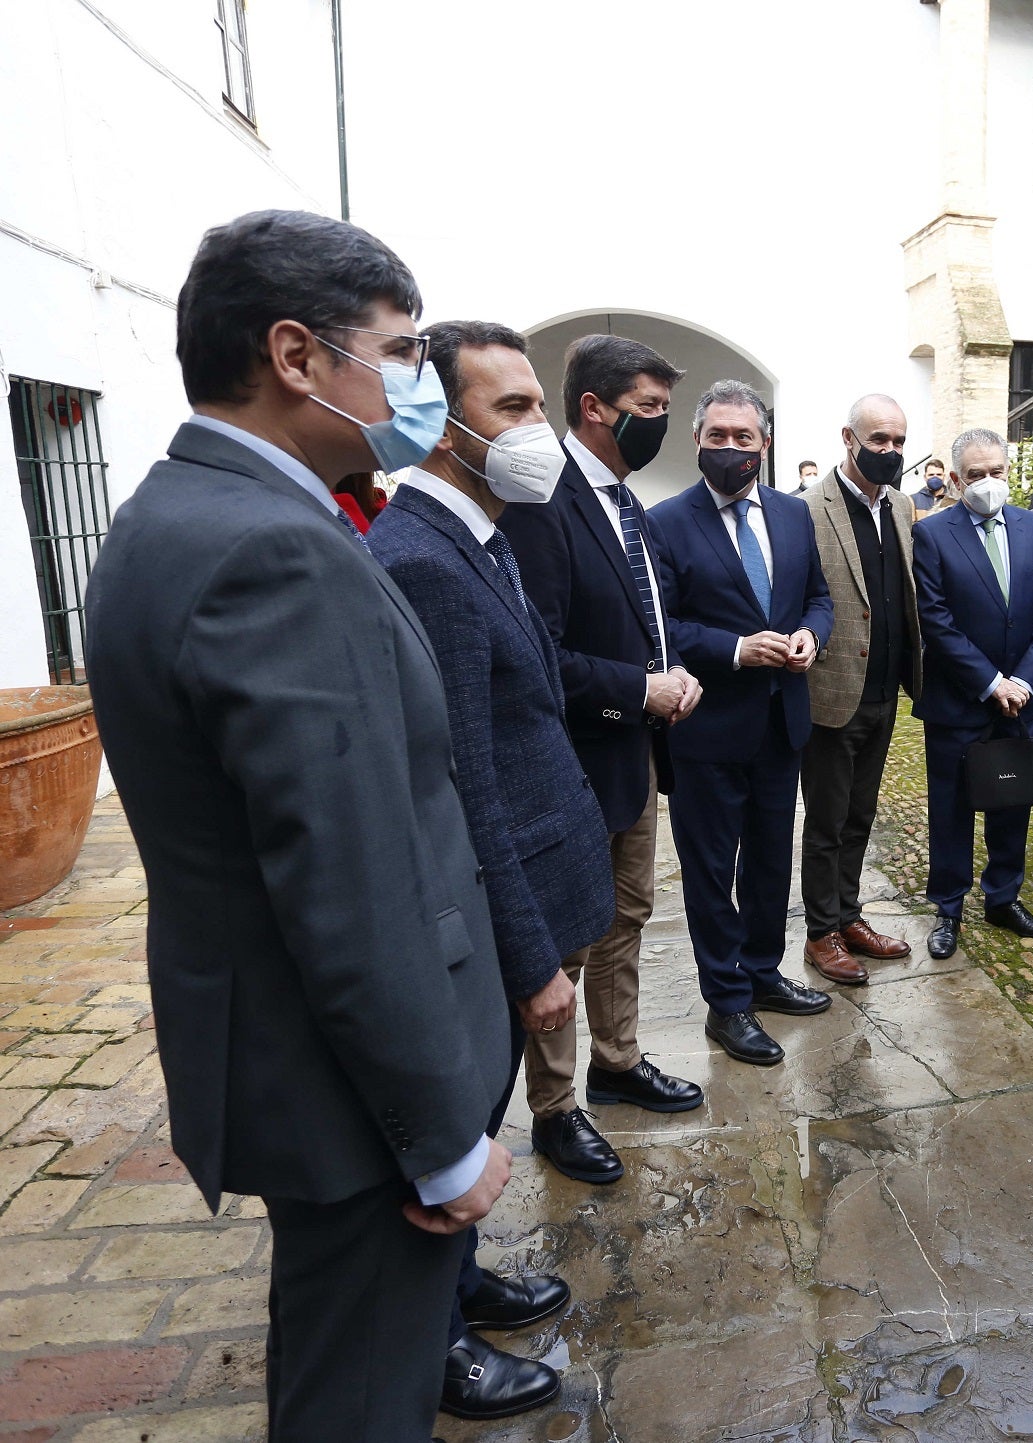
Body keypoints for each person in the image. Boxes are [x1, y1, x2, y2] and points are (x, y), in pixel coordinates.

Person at [84, 209, 512, 1443]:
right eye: (400, 350)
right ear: (295, 355)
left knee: (336, 1358)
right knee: (361, 1398)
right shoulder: (271, 549)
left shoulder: (182, 509)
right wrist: (439, 1141)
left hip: (293, 1057)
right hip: (350, 1093)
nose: (414, 383)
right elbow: (351, 873)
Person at [365, 320, 616, 1421]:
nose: (537, 430)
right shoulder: (421, 556)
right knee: (456, 1125)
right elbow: (464, 781)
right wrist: (529, 960)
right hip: (489, 917)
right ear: (444, 425)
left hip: (538, 882)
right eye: (510, 408)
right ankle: (437, 1339)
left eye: (535, 404)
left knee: (484, 1108)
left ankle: (463, 1285)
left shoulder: (481, 533)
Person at [497, 335, 703, 1186]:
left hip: (636, 758)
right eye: (651, 409)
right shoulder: (545, 504)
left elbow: (649, 618)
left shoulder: (627, 501)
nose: (662, 423)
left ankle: (616, 1063)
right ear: (595, 407)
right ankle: (553, 1110)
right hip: (574, 764)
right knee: (568, 944)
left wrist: (675, 677)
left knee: (627, 920)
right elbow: (536, 649)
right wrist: (637, 688)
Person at [646, 380, 835, 1067]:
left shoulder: (791, 514)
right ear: (697, 440)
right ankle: (726, 1002)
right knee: (710, 871)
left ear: (765, 443)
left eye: (743, 437)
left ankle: (762, 971)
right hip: (707, 731)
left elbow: (818, 597)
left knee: (767, 864)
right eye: (718, 436)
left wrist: (812, 635)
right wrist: (734, 648)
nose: (731, 447)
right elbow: (662, 624)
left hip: (781, 723)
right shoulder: (664, 522)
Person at [912, 428, 1033, 959]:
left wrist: (1022, 679)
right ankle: (948, 908)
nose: (987, 483)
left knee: (1013, 799)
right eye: (975, 475)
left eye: (995, 472)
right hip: (960, 698)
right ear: (956, 479)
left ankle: (1004, 897)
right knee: (950, 807)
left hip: (1022, 696)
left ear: (1008, 470)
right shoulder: (933, 534)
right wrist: (988, 681)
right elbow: (935, 617)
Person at [799, 394, 924, 986]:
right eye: (879, 441)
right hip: (832, 690)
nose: (891, 452)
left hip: (884, 691)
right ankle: (820, 932)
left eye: (899, 441)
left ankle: (849, 917)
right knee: (826, 821)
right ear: (849, 438)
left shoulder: (900, 506)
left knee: (862, 813)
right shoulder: (808, 509)